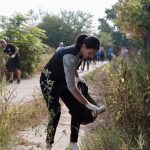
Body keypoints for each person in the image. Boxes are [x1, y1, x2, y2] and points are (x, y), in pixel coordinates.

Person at [40, 34, 105, 150]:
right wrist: (89, 105)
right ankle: (49, 145)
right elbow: (72, 87)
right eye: (90, 53)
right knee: (55, 112)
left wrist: (78, 77)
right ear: (84, 46)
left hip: (62, 80)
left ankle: (73, 142)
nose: (91, 56)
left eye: (93, 54)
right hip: (48, 81)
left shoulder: (81, 51)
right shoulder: (70, 55)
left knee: (77, 109)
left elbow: (73, 68)